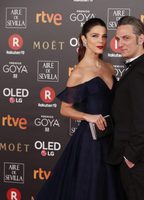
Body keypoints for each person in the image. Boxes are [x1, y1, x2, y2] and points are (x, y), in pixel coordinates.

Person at [36, 18, 125, 200]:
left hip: (111, 138)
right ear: (84, 39)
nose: (101, 41)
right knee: (91, 190)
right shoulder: (79, 72)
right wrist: (88, 116)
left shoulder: (109, 68)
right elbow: (64, 109)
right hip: (91, 142)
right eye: (95, 36)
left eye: (104, 36)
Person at [107, 16, 144, 200]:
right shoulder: (138, 67)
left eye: (126, 38)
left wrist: (130, 157)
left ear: (141, 39)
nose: (120, 44)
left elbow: (142, 120)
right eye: (118, 39)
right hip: (133, 156)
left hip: (135, 159)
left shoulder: (141, 73)